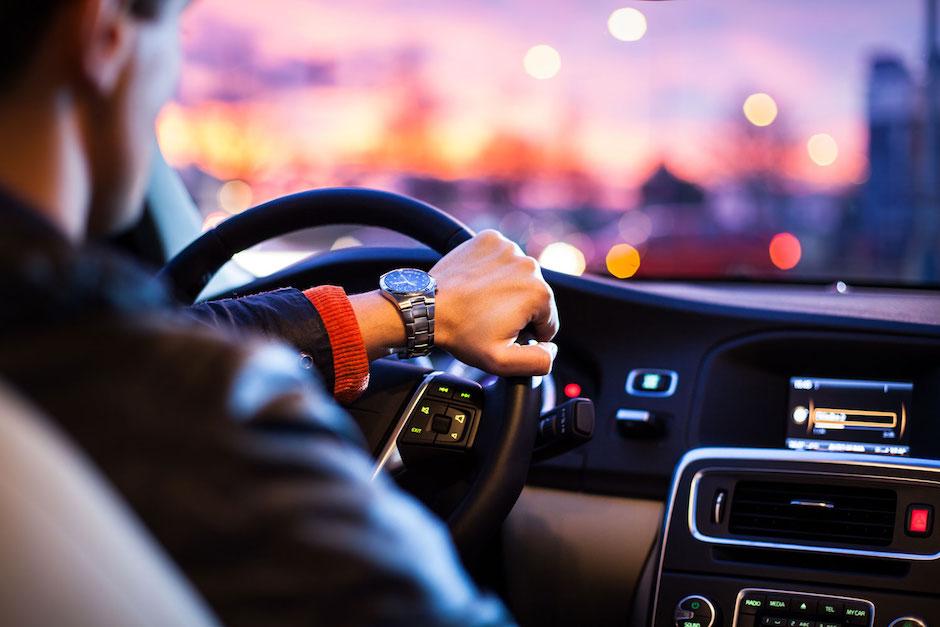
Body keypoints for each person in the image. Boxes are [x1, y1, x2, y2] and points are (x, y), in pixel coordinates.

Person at [0, 1, 560, 625]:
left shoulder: (58, 349)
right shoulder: (200, 412)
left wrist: (409, 313)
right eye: (175, 32)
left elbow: (173, 333)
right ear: (102, 33)